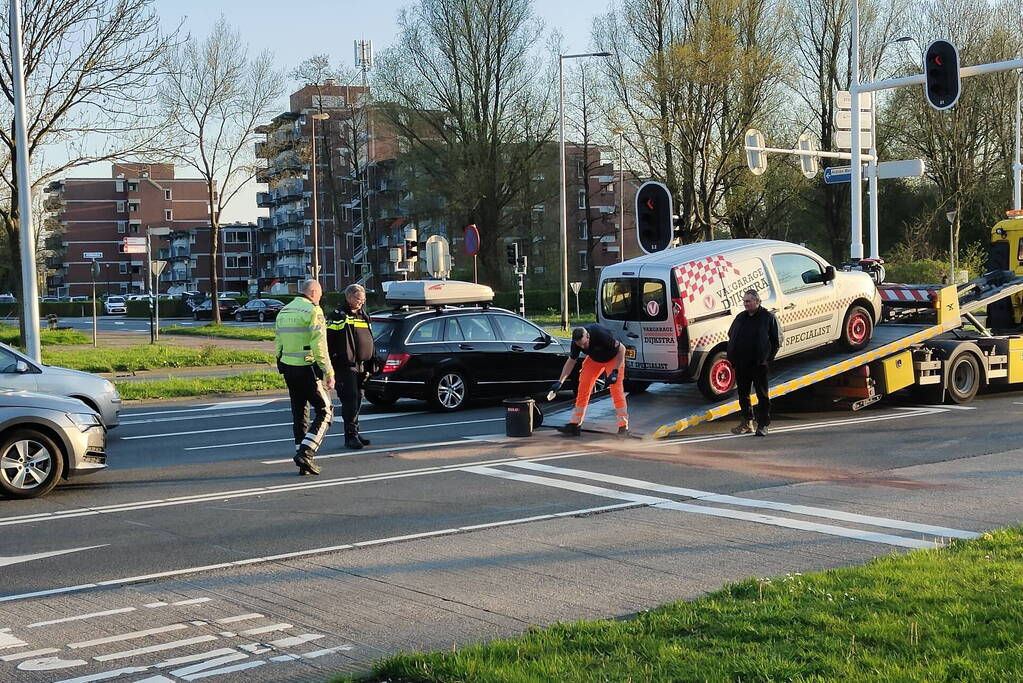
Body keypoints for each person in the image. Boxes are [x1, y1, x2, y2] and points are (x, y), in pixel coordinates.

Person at [275, 279, 335, 475]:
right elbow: (319, 345)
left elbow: (278, 341)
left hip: (288, 367)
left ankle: (302, 462)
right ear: (313, 292)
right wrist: (328, 371)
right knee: (325, 411)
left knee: (300, 413)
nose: (321, 298)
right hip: (307, 368)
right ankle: (306, 453)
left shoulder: (285, 310)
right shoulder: (313, 311)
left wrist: (281, 363)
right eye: (320, 294)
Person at [551, 323, 629, 437]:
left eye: (584, 344)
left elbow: (622, 349)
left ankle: (623, 426)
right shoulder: (576, 343)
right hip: (594, 360)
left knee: (616, 391)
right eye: (580, 345)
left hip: (613, 359)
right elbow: (571, 361)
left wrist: (615, 371)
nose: (583, 347)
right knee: (583, 387)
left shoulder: (601, 335)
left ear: (588, 336)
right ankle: (575, 424)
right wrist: (560, 381)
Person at [326, 283, 375, 450]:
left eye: (363, 299)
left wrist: (371, 361)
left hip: (362, 365)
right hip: (345, 365)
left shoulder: (363, 315)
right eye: (358, 298)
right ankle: (350, 437)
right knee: (350, 400)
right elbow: (328, 340)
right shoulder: (338, 316)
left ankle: (355, 431)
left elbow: (369, 338)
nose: (361, 302)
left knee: (358, 399)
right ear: (348, 297)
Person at [727, 289, 781, 437]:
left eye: (749, 301)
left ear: (757, 301)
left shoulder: (768, 317)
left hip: (759, 364)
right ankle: (747, 422)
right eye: (744, 301)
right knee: (743, 394)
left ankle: (763, 424)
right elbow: (731, 334)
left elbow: (776, 341)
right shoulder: (740, 317)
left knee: (762, 395)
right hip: (742, 363)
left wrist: (767, 359)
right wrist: (733, 357)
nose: (746, 304)